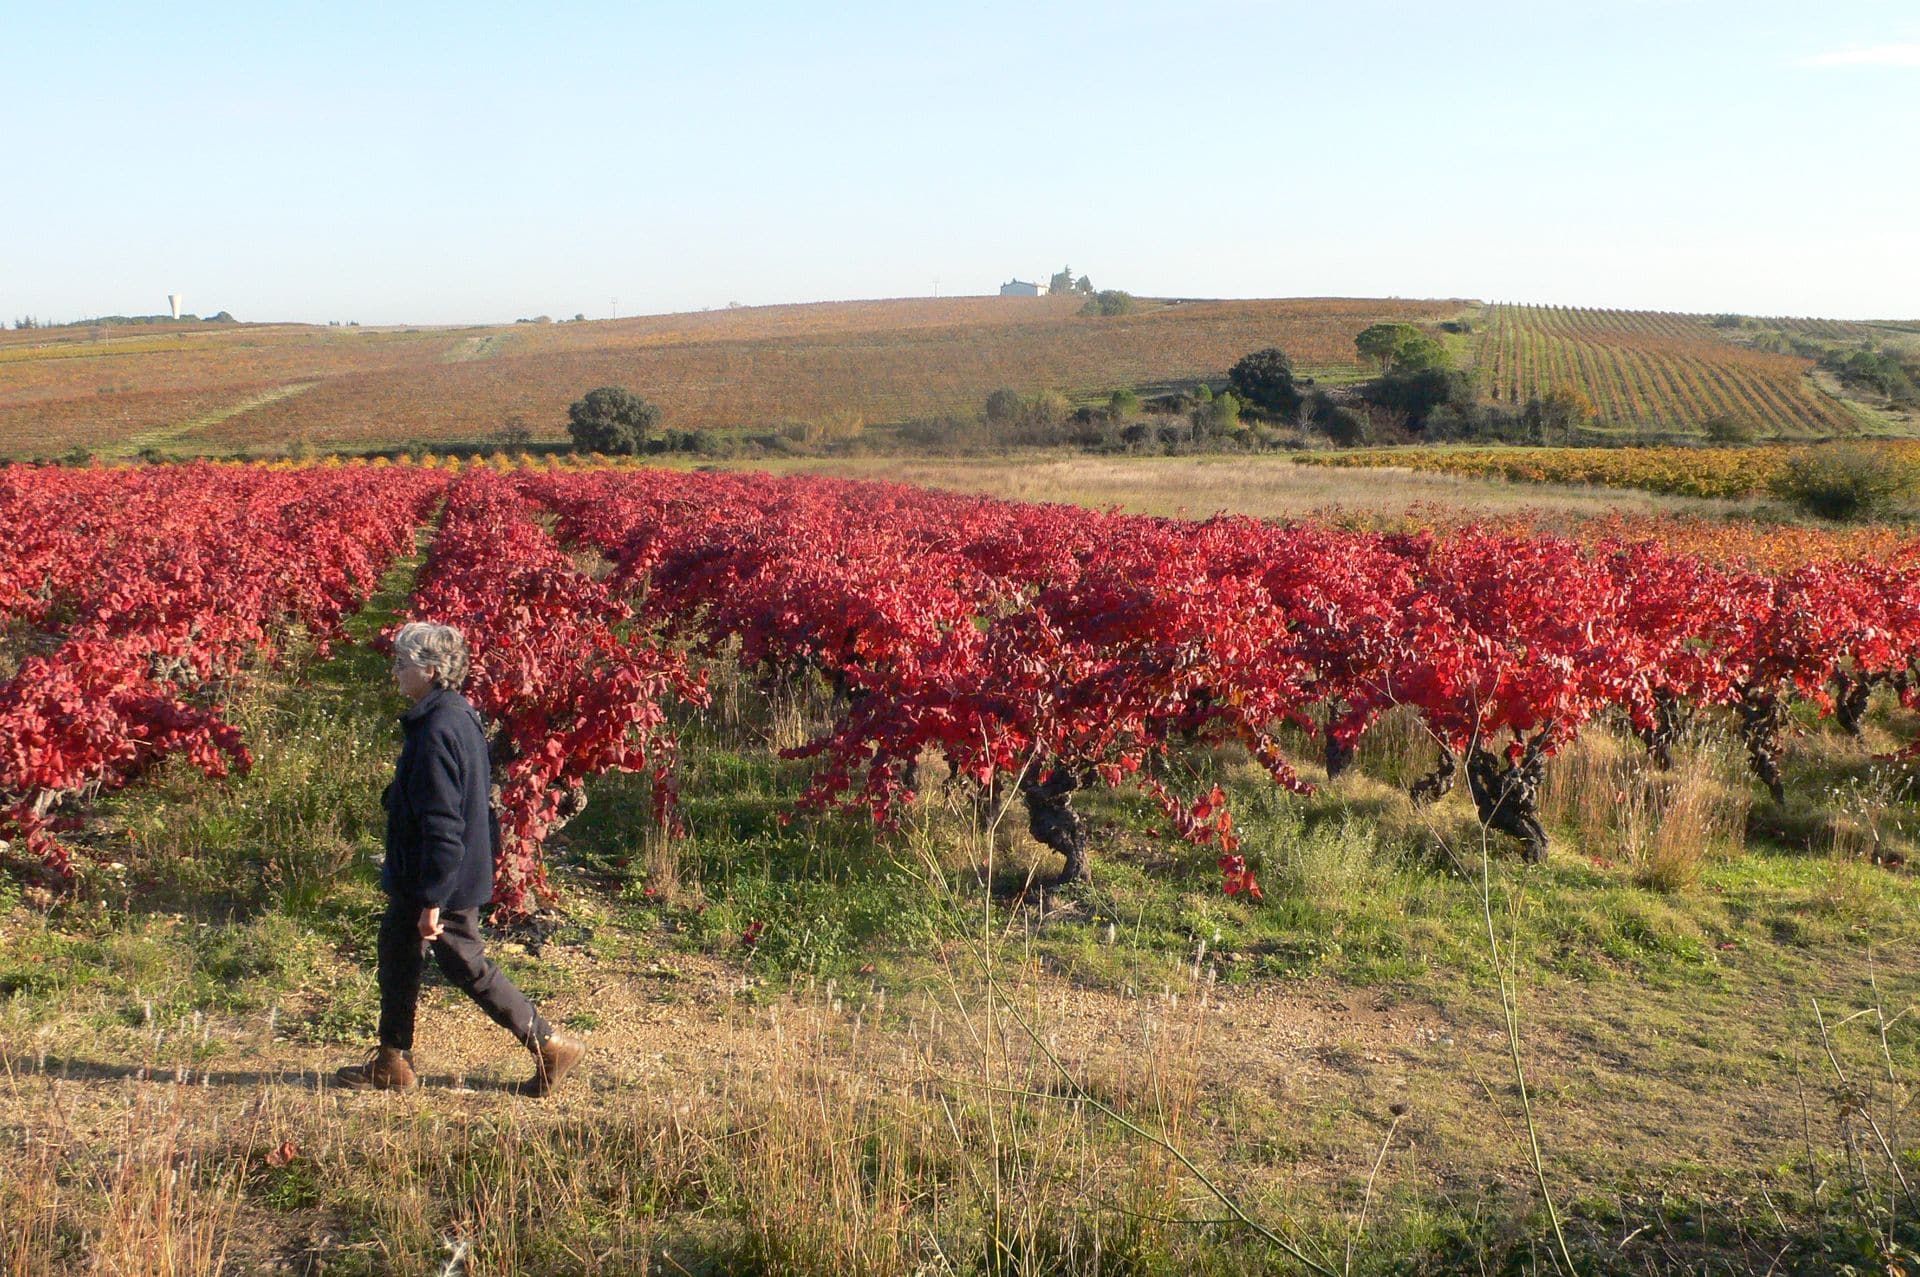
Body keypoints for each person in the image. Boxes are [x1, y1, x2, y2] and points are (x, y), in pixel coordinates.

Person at [335, 621, 586, 1096]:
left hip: (438, 875)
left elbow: (444, 825)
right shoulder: (455, 714)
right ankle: (392, 1060)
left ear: (431, 670)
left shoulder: (436, 730)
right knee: (397, 952)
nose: (395, 671)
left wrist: (433, 900)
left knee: (466, 964)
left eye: (402, 663)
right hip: (429, 871)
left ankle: (550, 1045)